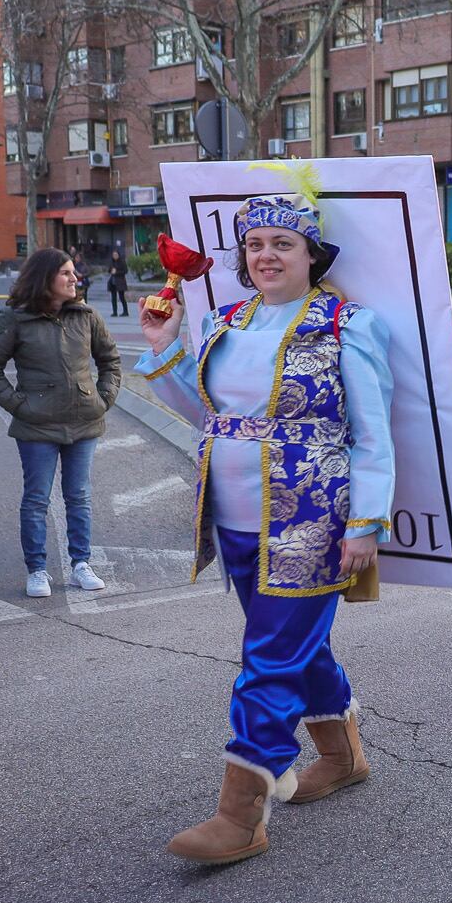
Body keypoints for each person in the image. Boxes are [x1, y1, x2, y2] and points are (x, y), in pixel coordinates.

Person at [137, 186, 395, 864]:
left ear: (311, 253)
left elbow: (371, 434)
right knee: (293, 646)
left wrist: (366, 521)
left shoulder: (348, 324)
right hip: (234, 516)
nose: (266, 255)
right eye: (254, 244)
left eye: (282, 243)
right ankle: (343, 757)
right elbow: (205, 413)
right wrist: (166, 348)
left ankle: (241, 811)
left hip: (312, 514)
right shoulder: (225, 321)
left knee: (269, 657)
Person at [0, 248, 122, 598]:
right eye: (66, 273)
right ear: (46, 278)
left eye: (74, 273)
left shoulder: (86, 315)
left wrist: (102, 399)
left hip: (84, 421)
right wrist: (20, 406)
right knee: (37, 499)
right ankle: (37, 569)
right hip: (37, 426)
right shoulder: (15, 317)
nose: (75, 279)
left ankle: (80, 564)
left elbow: (110, 360)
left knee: (79, 496)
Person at [106, 245, 130, 317]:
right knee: (113, 298)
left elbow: (125, 271)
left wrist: (116, 272)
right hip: (113, 282)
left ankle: (125, 311)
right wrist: (111, 271)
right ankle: (114, 312)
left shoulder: (122, 262)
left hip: (120, 281)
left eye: (116, 255)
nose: (115, 256)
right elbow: (109, 270)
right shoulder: (112, 262)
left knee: (121, 297)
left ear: (118, 255)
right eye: (113, 255)